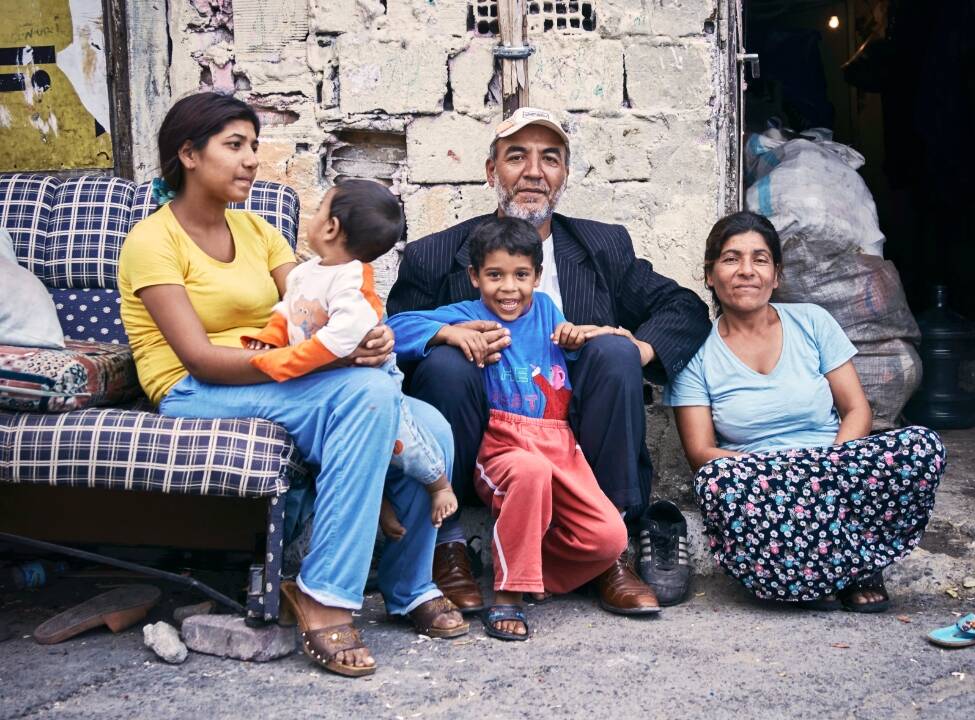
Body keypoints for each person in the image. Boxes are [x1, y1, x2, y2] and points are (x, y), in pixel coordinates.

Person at [117, 92, 466, 678]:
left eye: (253, 145)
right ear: (188, 153)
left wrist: (368, 338)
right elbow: (199, 359)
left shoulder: (257, 231)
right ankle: (323, 592)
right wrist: (325, 363)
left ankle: (409, 587)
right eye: (235, 145)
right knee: (370, 396)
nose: (252, 159)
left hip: (277, 372)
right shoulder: (152, 242)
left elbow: (323, 301)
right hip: (194, 389)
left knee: (431, 424)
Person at [387, 107, 712, 613]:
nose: (534, 171)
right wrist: (449, 335)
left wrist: (637, 347)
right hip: (485, 435)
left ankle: (611, 554)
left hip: (574, 429)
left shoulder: (602, 246)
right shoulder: (438, 254)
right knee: (444, 362)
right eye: (517, 156)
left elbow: (684, 308)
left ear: (564, 175)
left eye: (550, 159)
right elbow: (395, 348)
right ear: (492, 171)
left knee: (612, 352)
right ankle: (447, 545)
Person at [665, 211, 945, 611]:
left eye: (760, 260)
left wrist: (832, 461)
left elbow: (856, 409)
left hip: (834, 461)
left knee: (920, 445)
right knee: (716, 481)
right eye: (731, 259)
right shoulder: (695, 349)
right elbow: (701, 453)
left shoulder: (812, 321)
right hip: (764, 478)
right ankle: (845, 569)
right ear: (710, 275)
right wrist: (780, 470)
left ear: (776, 275)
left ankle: (830, 570)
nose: (746, 271)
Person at [389, 217, 633, 639]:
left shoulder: (547, 311)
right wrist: (448, 332)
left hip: (559, 443)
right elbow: (394, 328)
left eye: (521, 275)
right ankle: (509, 594)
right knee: (529, 472)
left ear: (538, 277)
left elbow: (564, 356)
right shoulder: (468, 312)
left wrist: (581, 336)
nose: (508, 288)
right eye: (495, 275)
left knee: (609, 538)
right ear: (474, 276)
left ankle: (530, 569)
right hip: (504, 443)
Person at [242, 179, 457, 530]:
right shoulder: (305, 273)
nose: (311, 218)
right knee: (335, 451)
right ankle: (378, 503)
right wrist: (268, 339)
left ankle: (437, 482)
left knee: (399, 440)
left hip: (369, 380)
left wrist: (285, 363)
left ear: (331, 227)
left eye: (318, 209)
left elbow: (341, 339)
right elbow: (286, 311)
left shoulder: (353, 280)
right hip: (322, 380)